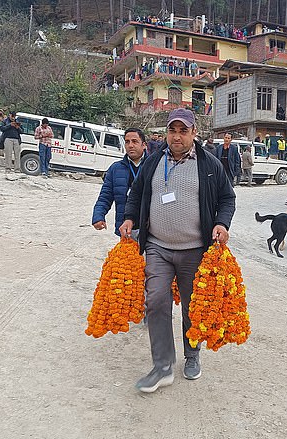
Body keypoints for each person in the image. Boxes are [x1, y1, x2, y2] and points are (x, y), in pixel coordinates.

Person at [119, 108, 235, 393]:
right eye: (173, 130)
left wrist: (221, 223)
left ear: (194, 133)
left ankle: (192, 355)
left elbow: (227, 198)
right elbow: (135, 194)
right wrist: (130, 218)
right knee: (156, 301)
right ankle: (162, 366)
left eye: (184, 131)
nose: (177, 136)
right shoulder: (154, 161)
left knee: (191, 307)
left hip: (195, 250)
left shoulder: (209, 164)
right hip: (157, 246)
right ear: (167, 132)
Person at [93, 128, 148, 235]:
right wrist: (98, 216)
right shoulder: (115, 169)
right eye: (127, 142)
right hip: (125, 228)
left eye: (135, 141)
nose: (130, 145)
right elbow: (105, 196)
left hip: (149, 230)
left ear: (144, 145)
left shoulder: (153, 166)